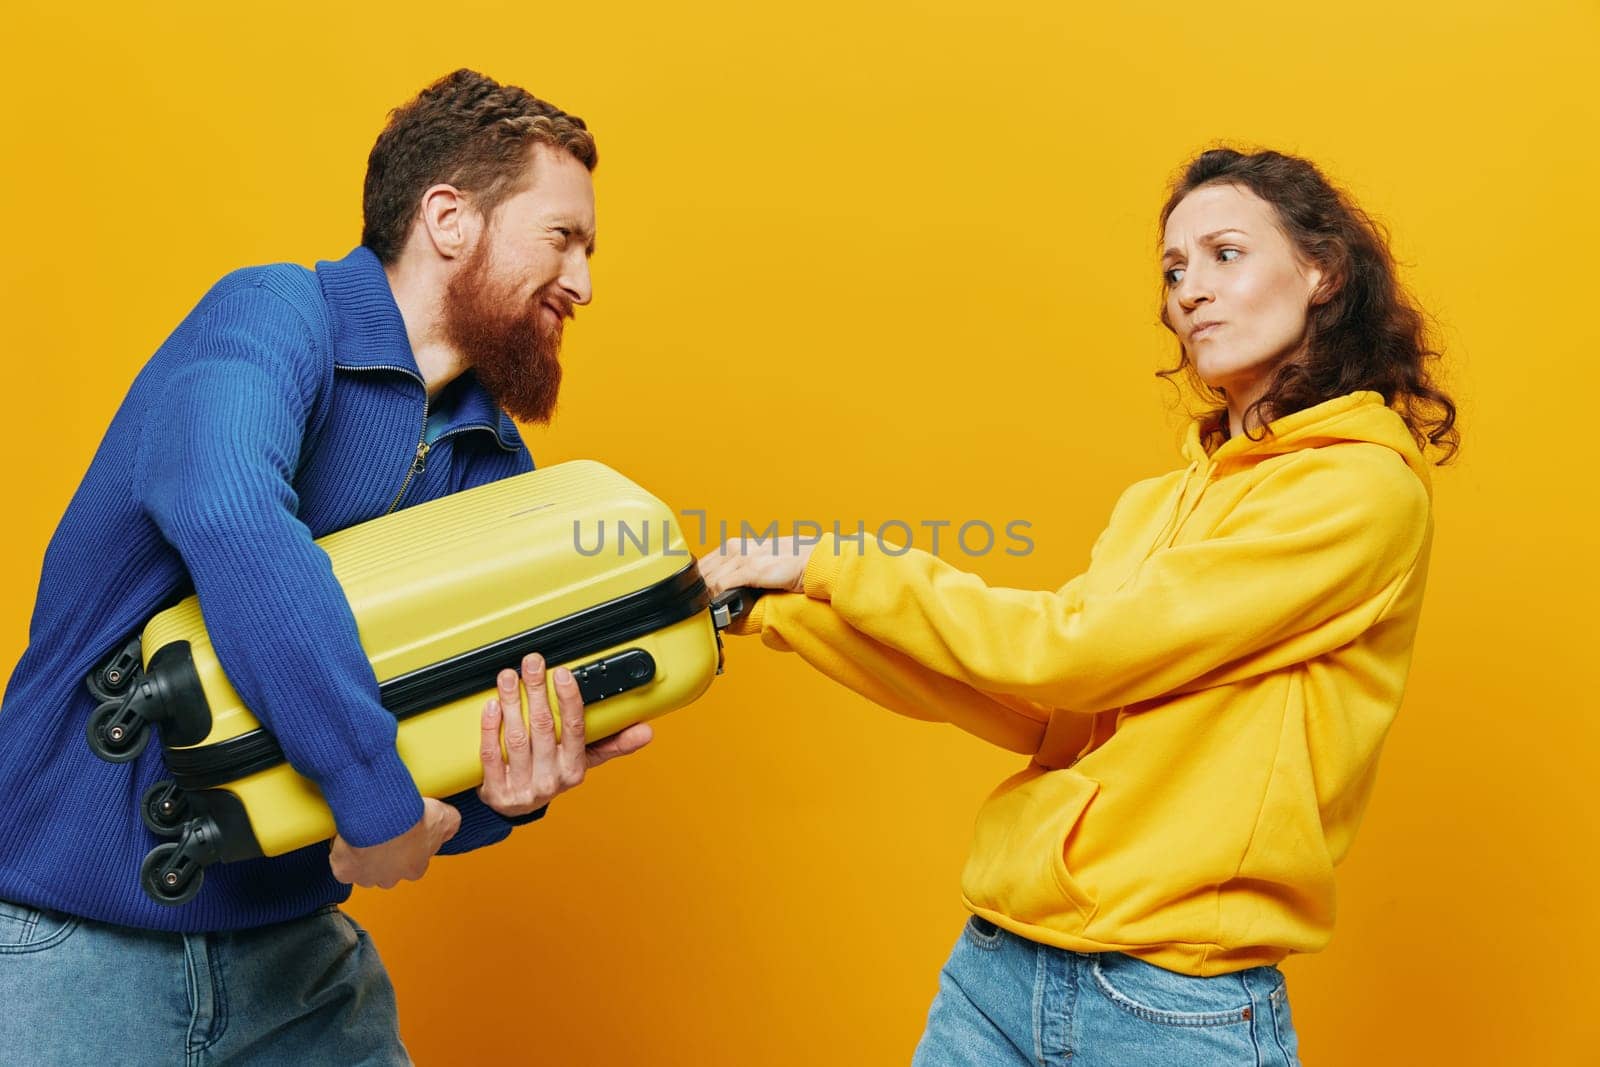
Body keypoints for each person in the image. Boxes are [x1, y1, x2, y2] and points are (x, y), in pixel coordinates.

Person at [699, 147, 1458, 1066]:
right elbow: (1047, 710)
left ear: (1322, 270)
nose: (1190, 291)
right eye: (1174, 270)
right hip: (999, 966)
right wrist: (779, 608)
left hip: (1167, 1004)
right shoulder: (1160, 501)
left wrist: (836, 563)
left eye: (1225, 255)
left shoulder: (1358, 492)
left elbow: (1071, 651)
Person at [0, 69, 650, 1064]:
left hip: (297, 964)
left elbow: (436, 748)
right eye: (562, 236)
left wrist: (501, 796)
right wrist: (374, 795)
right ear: (447, 218)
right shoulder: (269, 317)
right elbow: (227, 508)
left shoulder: (495, 465)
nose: (584, 282)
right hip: (73, 944)